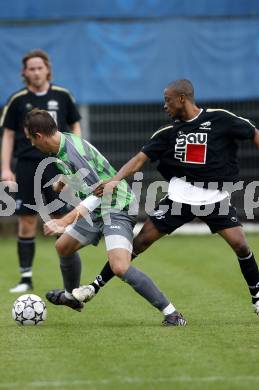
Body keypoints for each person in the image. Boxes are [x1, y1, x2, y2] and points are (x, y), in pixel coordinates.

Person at [72, 79, 259, 317]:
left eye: (167, 100)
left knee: (241, 244)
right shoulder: (168, 133)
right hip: (180, 198)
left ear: (182, 98)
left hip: (214, 197)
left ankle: (257, 297)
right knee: (140, 242)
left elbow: (253, 133)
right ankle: (93, 286)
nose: (164, 106)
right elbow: (138, 160)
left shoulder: (220, 119)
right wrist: (116, 180)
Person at [23, 108, 187, 327]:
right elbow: (82, 174)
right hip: (97, 210)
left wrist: (64, 221)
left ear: (39, 136)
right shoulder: (60, 145)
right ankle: (72, 297)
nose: (32, 145)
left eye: (31, 140)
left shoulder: (72, 152)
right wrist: (63, 179)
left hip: (116, 206)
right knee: (63, 247)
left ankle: (173, 314)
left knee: (120, 267)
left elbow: (99, 193)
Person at [0, 49, 81, 293]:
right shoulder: (17, 100)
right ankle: (25, 278)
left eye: (39, 67)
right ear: (24, 72)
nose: (36, 72)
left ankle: (69, 277)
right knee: (26, 218)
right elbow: (8, 135)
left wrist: (75, 158)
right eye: (31, 68)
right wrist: (5, 168)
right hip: (26, 166)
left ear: (47, 69)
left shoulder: (62, 96)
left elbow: (75, 125)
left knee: (60, 218)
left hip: (57, 165)